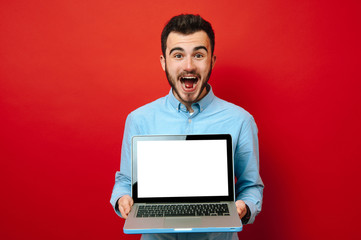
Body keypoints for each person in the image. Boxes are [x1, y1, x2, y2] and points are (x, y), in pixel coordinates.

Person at [110, 14, 264, 240]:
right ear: (164, 62)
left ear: (212, 61)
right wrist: (122, 198)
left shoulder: (240, 120)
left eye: (199, 55)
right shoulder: (138, 119)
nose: (189, 65)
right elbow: (125, 181)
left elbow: (251, 186)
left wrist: (245, 206)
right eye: (178, 55)